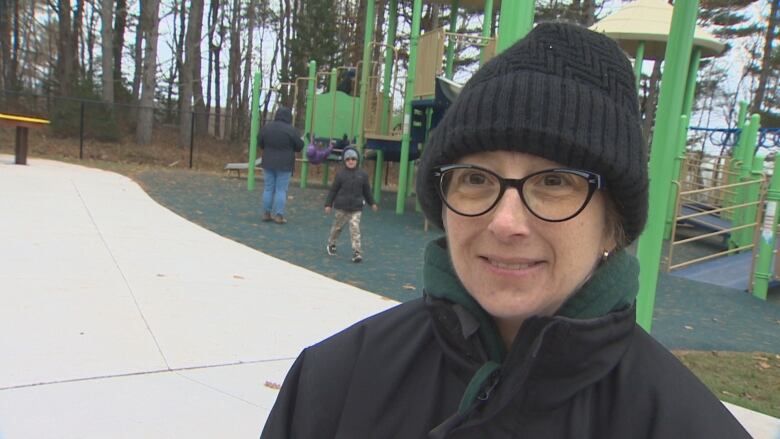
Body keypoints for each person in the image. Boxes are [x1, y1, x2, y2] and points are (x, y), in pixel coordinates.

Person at [260, 23, 750, 438]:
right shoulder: (333, 383)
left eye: (555, 181)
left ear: (612, 228)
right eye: (476, 179)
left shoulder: (684, 424)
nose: (506, 221)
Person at [324, 147, 378, 263]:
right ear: (344, 161)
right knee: (337, 227)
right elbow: (333, 190)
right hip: (342, 207)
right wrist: (328, 204)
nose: (351, 161)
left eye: (353, 159)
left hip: (356, 207)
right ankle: (331, 243)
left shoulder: (362, 175)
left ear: (357, 160)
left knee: (355, 228)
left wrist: (372, 202)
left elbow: (367, 191)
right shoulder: (340, 175)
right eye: (348, 159)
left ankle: (357, 252)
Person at [258, 107, 304, 224]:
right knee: (281, 190)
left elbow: (260, 143)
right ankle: (279, 215)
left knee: (268, 188)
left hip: (268, 161)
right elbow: (299, 146)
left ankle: (266, 213)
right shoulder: (291, 130)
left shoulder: (267, 128)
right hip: (285, 163)